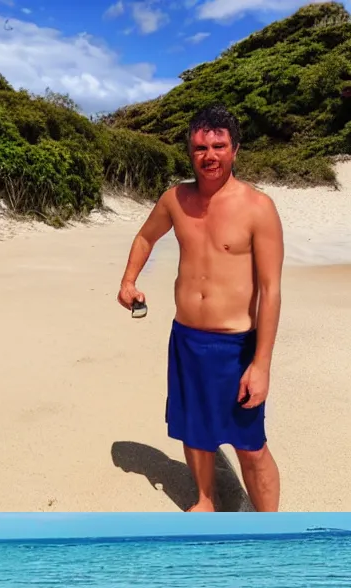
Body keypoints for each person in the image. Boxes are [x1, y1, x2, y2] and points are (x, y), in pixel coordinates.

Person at [117, 105, 283, 512]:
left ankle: (269, 528)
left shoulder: (258, 207)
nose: (209, 155)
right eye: (200, 147)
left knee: (250, 443)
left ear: (235, 149)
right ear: (190, 152)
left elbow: (271, 290)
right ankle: (205, 499)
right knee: (195, 431)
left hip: (236, 345)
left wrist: (261, 364)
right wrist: (128, 280)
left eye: (218, 146)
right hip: (188, 337)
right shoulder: (176, 199)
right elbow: (144, 238)